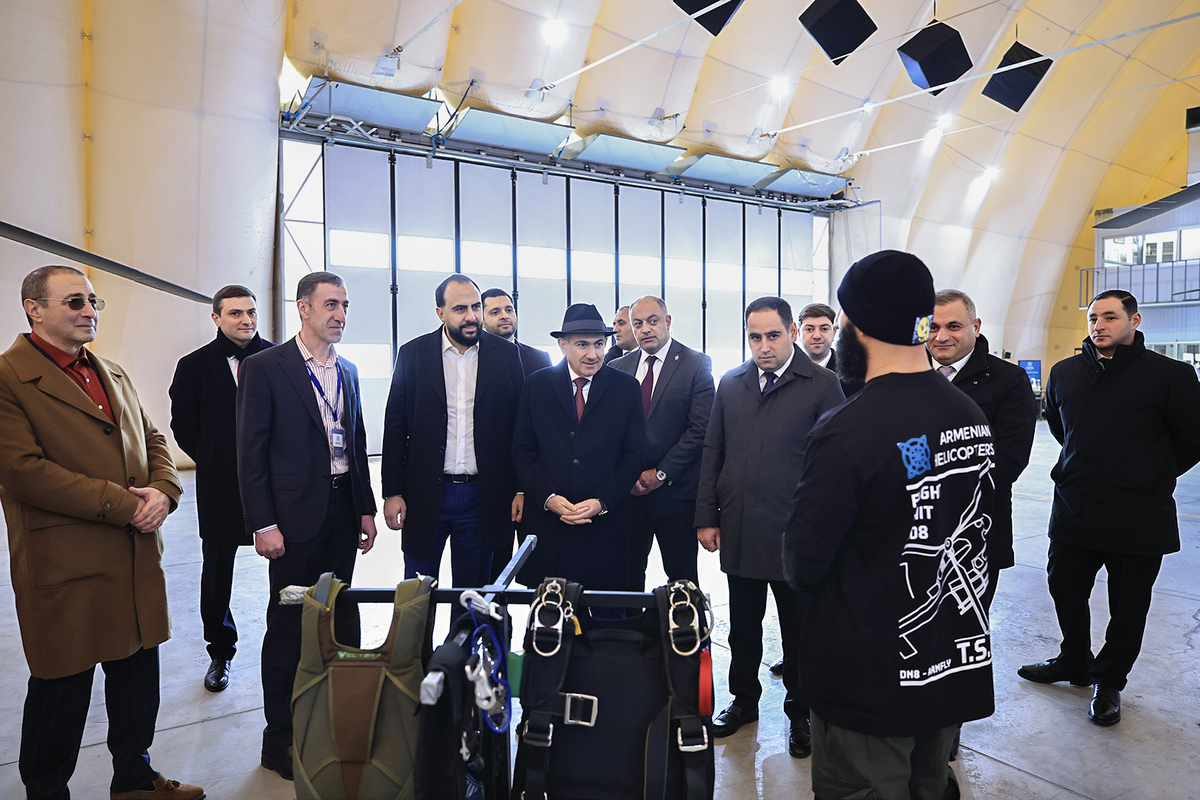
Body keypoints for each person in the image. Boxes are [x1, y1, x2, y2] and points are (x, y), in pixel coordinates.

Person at [785, 250, 996, 799]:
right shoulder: (967, 413)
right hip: (943, 664)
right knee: (931, 785)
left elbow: (803, 564)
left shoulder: (847, 430)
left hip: (868, 682)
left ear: (857, 326)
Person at [0, 265, 203, 800]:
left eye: (93, 301)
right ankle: (46, 790)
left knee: (137, 675)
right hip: (65, 560)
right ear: (33, 308)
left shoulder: (111, 371)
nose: (89, 311)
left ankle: (134, 779)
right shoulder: (8, 378)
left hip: (133, 556)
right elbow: (22, 470)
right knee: (62, 686)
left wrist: (165, 491)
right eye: (75, 302)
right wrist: (125, 505)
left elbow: (153, 438)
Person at [1018, 290, 1200, 726]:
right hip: (1075, 506)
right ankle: (1075, 661)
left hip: (1139, 512)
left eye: (1110, 317)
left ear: (1134, 321)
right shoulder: (1064, 373)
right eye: (1094, 317)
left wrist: (1149, 473)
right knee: (1064, 588)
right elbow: (1063, 430)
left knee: (1129, 605)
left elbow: (1192, 439)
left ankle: (1109, 681)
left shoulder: (1172, 375)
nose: (1099, 325)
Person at [237, 271, 378, 781]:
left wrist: (364, 508)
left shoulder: (349, 370)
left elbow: (356, 444)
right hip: (293, 521)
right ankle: (280, 740)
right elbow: (250, 452)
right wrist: (264, 523)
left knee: (339, 622)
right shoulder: (265, 367)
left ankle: (335, 728)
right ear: (304, 307)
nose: (340, 314)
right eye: (331, 304)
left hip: (341, 514)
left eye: (345, 305)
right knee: (289, 629)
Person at [695, 296, 844, 759]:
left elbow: (837, 463)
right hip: (740, 526)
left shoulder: (823, 385)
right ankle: (744, 701)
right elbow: (713, 451)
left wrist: (825, 529)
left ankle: (801, 711)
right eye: (755, 337)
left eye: (773, 335)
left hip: (795, 535)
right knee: (743, 628)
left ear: (792, 333)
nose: (763, 346)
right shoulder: (732, 383)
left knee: (800, 631)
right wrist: (706, 516)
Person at [382, 275, 525, 588]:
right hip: (424, 494)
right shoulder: (413, 354)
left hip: (482, 496)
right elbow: (395, 426)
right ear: (441, 313)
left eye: (475, 307)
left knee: (471, 594)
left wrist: (520, 488)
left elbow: (519, 427)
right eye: (460, 309)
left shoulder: (505, 355)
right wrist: (392, 492)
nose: (471, 316)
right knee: (417, 593)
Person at [169, 284, 274, 693]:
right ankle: (220, 651)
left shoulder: (280, 358)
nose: (246, 320)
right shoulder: (194, 366)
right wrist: (212, 458)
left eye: (251, 312)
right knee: (217, 570)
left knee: (286, 563)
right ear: (216, 318)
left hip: (274, 483)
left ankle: (287, 642)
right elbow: (183, 425)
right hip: (220, 485)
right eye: (235, 313)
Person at [512, 303, 645, 590]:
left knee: (605, 610)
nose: (593, 354)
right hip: (548, 524)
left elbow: (634, 454)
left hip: (604, 525)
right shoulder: (537, 385)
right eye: (582, 344)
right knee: (548, 610)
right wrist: (548, 497)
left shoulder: (626, 388)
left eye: (599, 344)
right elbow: (523, 450)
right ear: (563, 345)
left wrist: (601, 502)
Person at [927, 289, 1036, 606]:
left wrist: (936, 485)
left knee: (966, 625)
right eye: (933, 327)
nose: (942, 337)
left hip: (976, 530)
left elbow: (1009, 460)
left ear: (975, 327)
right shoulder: (905, 375)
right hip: (912, 530)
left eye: (954, 326)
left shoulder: (1008, 380)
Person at [611, 295, 713, 589]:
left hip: (675, 492)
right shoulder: (617, 367)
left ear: (667, 322)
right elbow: (610, 430)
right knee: (626, 576)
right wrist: (627, 475)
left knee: (682, 580)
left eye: (652, 321)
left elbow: (700, 429)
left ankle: (684, 622)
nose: (645, 329)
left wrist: (659, 474)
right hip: (628, 493)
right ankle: (629, 622)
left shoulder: (695, 364)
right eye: (638, 323)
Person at [480, 286, 552, 377]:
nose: (505, 316)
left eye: (509, 310)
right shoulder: (474, 358)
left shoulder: (540, 359)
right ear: (481, 321)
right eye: (495, 312)